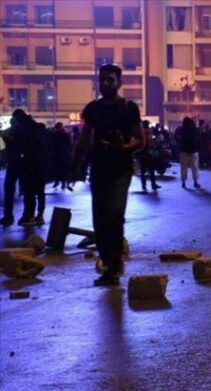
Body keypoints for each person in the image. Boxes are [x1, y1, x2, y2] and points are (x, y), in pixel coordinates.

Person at [70, 64, 145, 286]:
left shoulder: (128, 108)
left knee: (113, 214)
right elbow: (84, 138)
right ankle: (108, 262)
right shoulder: (93, 109)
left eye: (110, 80)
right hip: (99, 168)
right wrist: (74, 165)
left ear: (119, 83)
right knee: (99, 218)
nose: (105, 84)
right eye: (102, 80)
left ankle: (114, 264)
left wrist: (122, 147)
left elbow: (141, 140)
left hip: (121, 169)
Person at [1, 109, 31, 226]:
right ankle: (25, 214)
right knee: (25, 189)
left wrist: (8, 138)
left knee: (13, 188)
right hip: (21, 162)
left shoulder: (22, 130)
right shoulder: (26, 128)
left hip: (18, 162)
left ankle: (12, 215)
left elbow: (17, 143)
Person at [19, 121, 49, 226]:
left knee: (30, 192)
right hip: (42, 167)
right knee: (40, 192)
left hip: (30, 167)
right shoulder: (45, 140)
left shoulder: (30, 141)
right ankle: (40, 215)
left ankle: (29, 215)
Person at [136, 120, 161, 192]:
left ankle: (144, 185)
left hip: (141, 153)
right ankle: (153, 184)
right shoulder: (149, 132)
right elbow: (151, 142)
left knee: (143, 170)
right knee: (151, 169)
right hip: (148, 153)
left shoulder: (140, 132)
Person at [179, 116, 201, 189]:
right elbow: (198, 139)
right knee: (195, 168)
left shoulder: (181, 130)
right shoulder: (194, 130)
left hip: (184, 151)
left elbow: (178, 140)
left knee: (183, 168)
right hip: (193, 151)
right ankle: (195, 182)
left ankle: (183, 182)